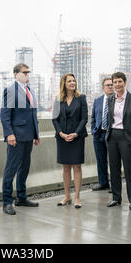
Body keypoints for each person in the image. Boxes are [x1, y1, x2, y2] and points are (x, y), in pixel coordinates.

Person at [0, 63, 40, 215]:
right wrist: (9, 134)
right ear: (16, 74)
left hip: (29, 136)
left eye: (28, 72)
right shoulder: (10, 90)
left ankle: (21, 198)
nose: (27, 75)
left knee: (25, 168)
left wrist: (36, 134)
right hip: (16, 137)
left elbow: (32, 114)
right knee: (11, 169)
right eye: (24, 72)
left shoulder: (29, 90)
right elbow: (5, 115)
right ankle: (7, 202)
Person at [106, 72, 131, 210]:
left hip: (127, 138)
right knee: (114, 169)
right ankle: (116, 198)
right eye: (115, 82)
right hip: (112, 137)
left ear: (125, 82)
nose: (117, 85)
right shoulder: (110, 99)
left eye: (119, 82)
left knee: (129, 170)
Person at [52, 73, 88, 209]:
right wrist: (60, 133)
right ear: (64, 84)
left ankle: (77, 197)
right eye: (69, 81)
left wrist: (76, 133)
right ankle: (67, 196)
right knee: (66, 167)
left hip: (77, 137)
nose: (72, 83)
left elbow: (84, 118)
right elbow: (54, 119)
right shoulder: (58, 99)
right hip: (62, 138)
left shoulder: (81, 98)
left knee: (77, 166)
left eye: (74, 80)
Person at [91, 77, 114, 192]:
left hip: (113, 135)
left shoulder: (118, 99)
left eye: (111, 85)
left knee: (114, 161)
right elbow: (93, 117)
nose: (110, 87)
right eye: (107, 85)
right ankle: (103, 183)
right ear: (103, 87)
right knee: (101, 160)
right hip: (99, 134)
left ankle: (115, 184)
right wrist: (94, 130)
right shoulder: (98, 100)